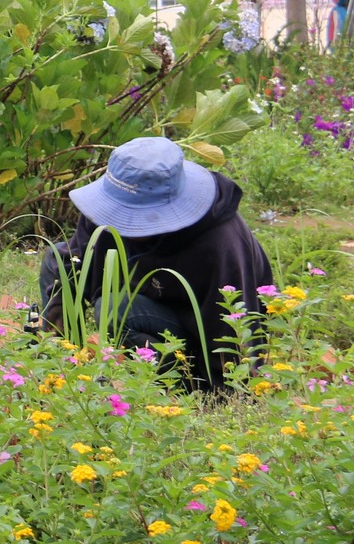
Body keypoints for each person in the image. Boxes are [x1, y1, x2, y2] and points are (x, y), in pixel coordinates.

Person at [37, 136, 273, 390]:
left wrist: (226, 392)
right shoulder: (105, 209)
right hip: (148, 291)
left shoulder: (221, 242)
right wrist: (54, 340)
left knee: (115, 309)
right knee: (57, 263)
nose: (126, 222)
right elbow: (73, 260)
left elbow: (237, 329)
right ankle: (64, 365)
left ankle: (183, 381)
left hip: (194, 331)